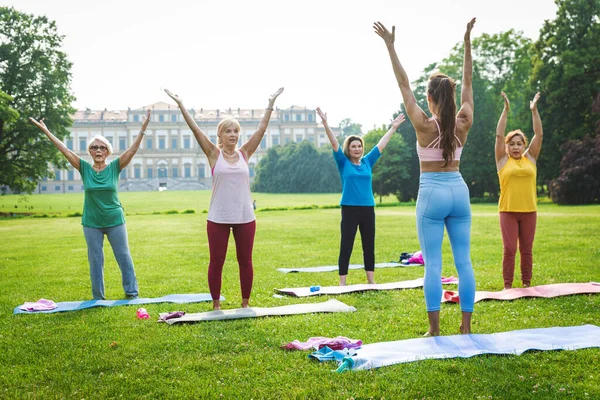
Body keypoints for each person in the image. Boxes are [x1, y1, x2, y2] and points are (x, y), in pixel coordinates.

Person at [374, 18, 477, 335]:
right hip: (459, 192)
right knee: (464, 262)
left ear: (431, 99)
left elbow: (403, 85)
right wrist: (467, 42)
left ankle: (434, 329)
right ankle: (465, 326)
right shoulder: (464, 121)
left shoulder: (423, 124)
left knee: (433, 264)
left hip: (432, 194)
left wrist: (390, 47)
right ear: (453, 97)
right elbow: (469, 83)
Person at [165, 87, 284, 310]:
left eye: (235, 131)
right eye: (228, 131)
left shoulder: (245, 153)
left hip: (245, 215)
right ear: (220, 135)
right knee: (216, 261)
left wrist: (270, 104)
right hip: (218, 216)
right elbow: (195, 129)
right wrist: (181, 105)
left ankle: (245, 303)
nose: (232, 134)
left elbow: (261, 129)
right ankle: (216, 304)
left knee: (245, 261)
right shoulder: (213, 154)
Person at [29, 109, 150, 300]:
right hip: (91, 221)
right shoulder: (84, 168)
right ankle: (98, 298)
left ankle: (132, 293)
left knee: (124, 257)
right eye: (94, 148)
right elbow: (65, 150)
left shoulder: (115, 167)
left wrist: (143, 128)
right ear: (90, 152)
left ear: (108, 151)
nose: (98, 150)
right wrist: (46, 131)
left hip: (115, 219)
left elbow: (132, 150)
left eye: (102, 147)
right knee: (95, 260)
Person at [317, 107, 405, 286]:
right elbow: (334, 143)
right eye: (353, 146)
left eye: (359, 146)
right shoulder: (343, 162)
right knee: (347, 244)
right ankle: (342, 282)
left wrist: (393, 128)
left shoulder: (367, 162)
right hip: (349, 209)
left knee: (368, 245)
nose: (357, 149)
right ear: (348, 149)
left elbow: (381, 145)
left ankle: (371, 280)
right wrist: (326, 124)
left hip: (367, 208)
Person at [495, 92, 543, 289]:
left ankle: (526, 284)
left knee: (527, 250)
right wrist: (505, 111)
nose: (515, 147)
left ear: (524, 145)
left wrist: (534, 111)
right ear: (506, 147)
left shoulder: (530, 158)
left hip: (529, 210)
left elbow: (539, 134)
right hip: (508, 211)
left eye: (519, 143)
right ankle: (508, 286)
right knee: (509, 249)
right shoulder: (502, 160)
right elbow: (499, 135)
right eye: (512, 144)